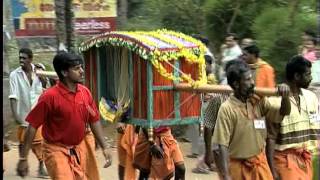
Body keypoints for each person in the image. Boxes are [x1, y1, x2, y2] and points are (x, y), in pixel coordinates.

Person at [16, 52, 112, 179]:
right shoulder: (49, 97)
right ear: (64, 73)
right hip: (55, 150)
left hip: (78, 149)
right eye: (76, 68)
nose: (82, 71)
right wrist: (23, 158)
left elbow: (93, 119)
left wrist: (105, 146)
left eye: (81, 67)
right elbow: (32, 126)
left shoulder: (85, 93)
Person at [212, 60, 291, 180]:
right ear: (236, 84)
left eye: (252, 78)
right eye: (248, 80)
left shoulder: (258, 101)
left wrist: (285, 98)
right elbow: (221, 145)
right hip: (238, 169)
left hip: (260, 165)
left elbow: (284, 112)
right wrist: (226, 175)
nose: (253, 83)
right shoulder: (226, 109)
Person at [266, 55, 320, 180]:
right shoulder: (275, 101)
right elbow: (271, 138)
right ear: (296, 76)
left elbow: (315, 125)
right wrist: (272, 170)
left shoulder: (311, 97)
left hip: (306, 160)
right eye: (308, 74)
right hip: (285, 163)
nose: (311, 78)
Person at [9, 48, 48, 177]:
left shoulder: (39, 71)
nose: (21, 60)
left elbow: (46, 90)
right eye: (20, 58)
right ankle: (23, 163)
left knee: (39, 142)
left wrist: (43, 78)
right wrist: (16, 116)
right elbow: (13, 96)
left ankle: (41, 167)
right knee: (22, 141)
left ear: (30, 59)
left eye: (24, 58)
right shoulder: (14, 75)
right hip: (23, 115)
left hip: (38, 114)